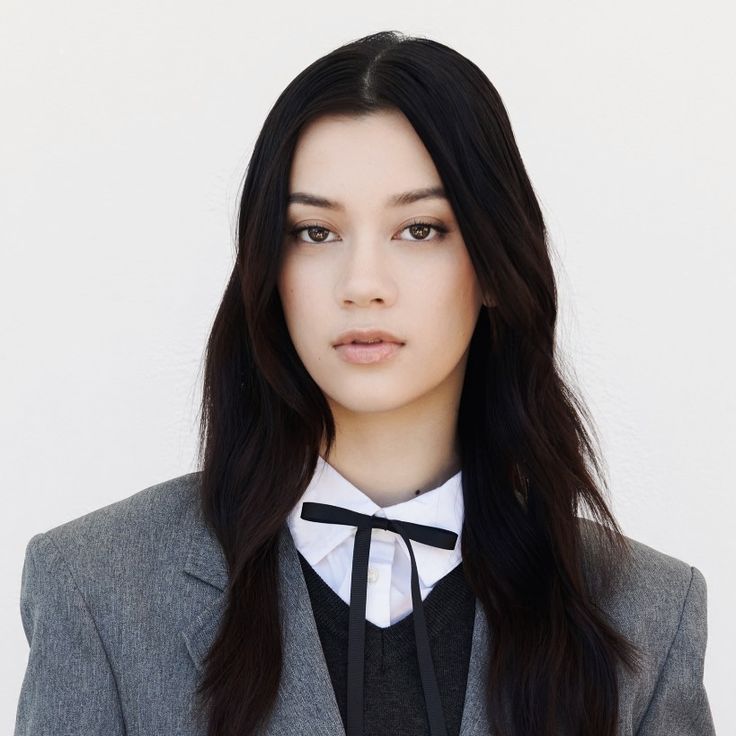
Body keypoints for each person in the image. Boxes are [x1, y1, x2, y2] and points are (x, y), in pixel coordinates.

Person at [14, 30, 716, 736]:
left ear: (496, 267)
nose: (363, 285)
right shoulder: (97, 588)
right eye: (316, 233)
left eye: (419, 229)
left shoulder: (646, 613)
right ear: (269, 270)